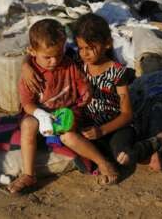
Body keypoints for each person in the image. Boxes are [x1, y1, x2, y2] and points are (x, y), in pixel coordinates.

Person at [22, 14, 162, 174]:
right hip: (89, 126)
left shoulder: (118, 73)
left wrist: (102, 131)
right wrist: (26, 65)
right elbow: (43, 53)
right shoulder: (77, 63)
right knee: (85, 161)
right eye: (81, 48)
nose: (85, 53)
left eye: (90, 48)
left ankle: (160, 140)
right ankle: (146, 152)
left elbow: (126, 115)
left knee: (124, 158)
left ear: (107, 44)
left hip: (116, 126)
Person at [7, 19, 118, 194]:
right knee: (27, 125)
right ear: (32, 51)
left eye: (58, 54)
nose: (54, 61)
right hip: (39, 113)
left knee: (68, 137)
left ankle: (103, 162)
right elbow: (27, 104)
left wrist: (86, 92)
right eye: (47, 57)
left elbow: (82, 85)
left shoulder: (69, 64)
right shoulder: (30, 76)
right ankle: (28, 174)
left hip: (67, 111)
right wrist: (42, 116)